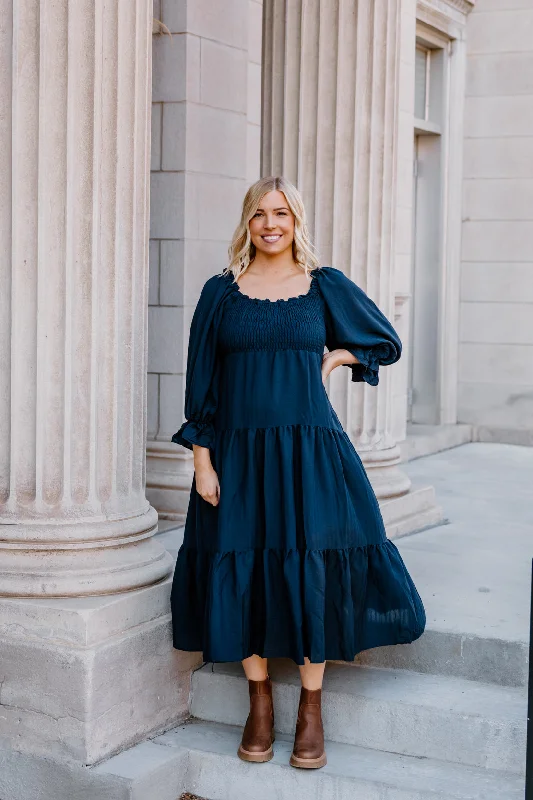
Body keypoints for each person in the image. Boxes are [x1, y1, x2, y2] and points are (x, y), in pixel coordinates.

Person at [170, 176, 426, 770]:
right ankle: (258, 700)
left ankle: (312, 707)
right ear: (247, 223)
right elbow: (200, 383)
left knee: (311, 561)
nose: (270, 224)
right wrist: (202, 460)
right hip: (236, 455)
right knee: (243, 561)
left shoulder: (323, 286)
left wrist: (340, 355)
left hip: (310, 452)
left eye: (281, 213)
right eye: (259, 214)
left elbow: (383, 341)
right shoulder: (221, 294)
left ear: (296, 221)